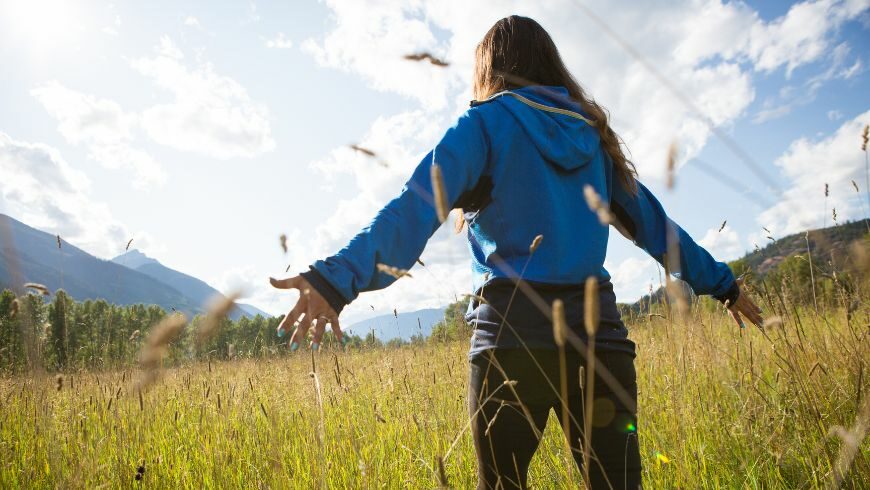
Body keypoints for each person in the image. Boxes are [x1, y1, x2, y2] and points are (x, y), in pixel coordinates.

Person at [270, 15, 763, 490]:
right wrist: (724, 285)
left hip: (511, 344)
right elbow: (658, 229)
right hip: (599, 344)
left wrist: (336, 280)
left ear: (490, 69)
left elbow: (414, 209)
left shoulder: (483, 125)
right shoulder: (592, 139)